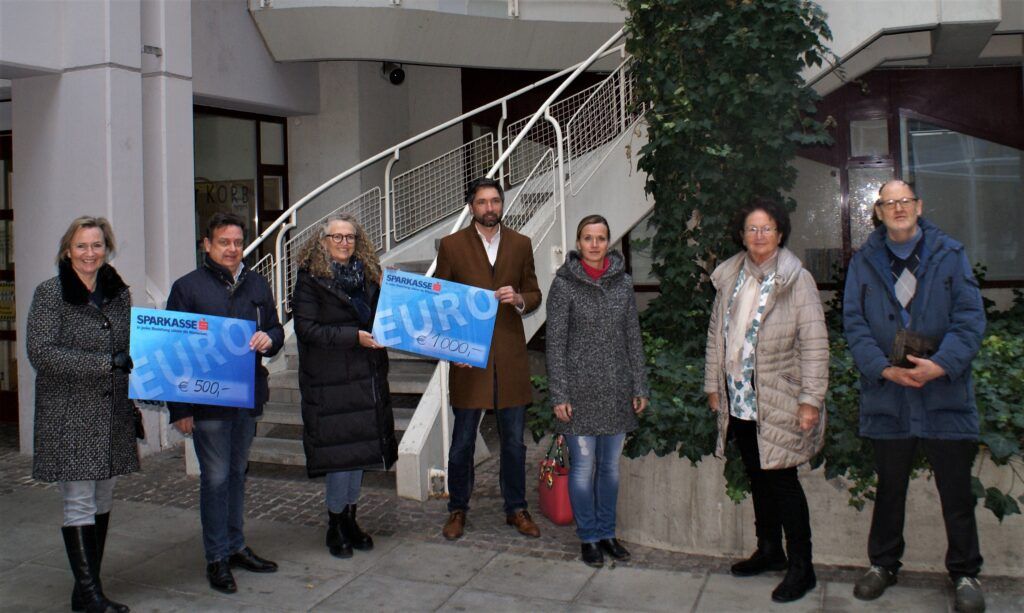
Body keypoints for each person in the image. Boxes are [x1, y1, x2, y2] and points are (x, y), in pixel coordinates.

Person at [843, 180, 986, 613]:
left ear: (919, 206)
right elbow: (855, 324)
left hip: (944, 392)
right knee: (889, 490)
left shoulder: (950, 254)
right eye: (889, 203)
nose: (898, 208)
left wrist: (940, 365)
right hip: (890, 396)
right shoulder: (864, 262)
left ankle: (965, 573)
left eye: (905, 201)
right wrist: (883, 369)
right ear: (879, 212)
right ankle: (883, 565)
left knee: (957, 494)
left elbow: (969, 319)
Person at [704, 198, 829, 603]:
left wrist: (811, 399)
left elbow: (814, 343)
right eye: (751, 229)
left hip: (780, 396)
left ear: (780, 233)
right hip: (739, 395)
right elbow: (715, 337)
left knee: (783, 481)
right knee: (758, 476)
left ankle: (802, 567)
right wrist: (713, 387)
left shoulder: (795, 279)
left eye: (767, 228)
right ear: (741, 235)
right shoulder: (730, 276)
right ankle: (770, 550)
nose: (758, 236)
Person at [166, 212, 285, 594]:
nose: (232, 249)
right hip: (207, 405)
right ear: (207, 244)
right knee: (215, 480)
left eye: (237, 242)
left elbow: (276, 326)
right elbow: (172, 351)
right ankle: (216, 557)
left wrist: (270, 338)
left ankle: (235, 546)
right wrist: (180, 409)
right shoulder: (187, 288)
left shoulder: (256, 283)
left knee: (236, 475)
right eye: (223, 243)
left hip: (245, 399)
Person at [27, 216, 139, 613]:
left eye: (96, 245)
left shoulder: (118, 293)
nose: (89, 253)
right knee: (78, 501)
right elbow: (41, 353)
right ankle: (91, 596)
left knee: (103, 498)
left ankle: (85, 588)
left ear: (106, 248)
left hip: (110, 412)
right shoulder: (50, 293)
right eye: (81, 246)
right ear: (67, 250)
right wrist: (104, 363)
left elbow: (132, 347)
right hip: (69, 414)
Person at [435, 176, 543, 540]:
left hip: (510, 357)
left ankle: (516, 508)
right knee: (462, 440)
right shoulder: (451, 246)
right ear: (471, 206)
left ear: (502, 204)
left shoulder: (521, 243)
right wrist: (452, 349)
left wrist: (520, 298)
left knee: (514, 440)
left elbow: (535, 291)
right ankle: (457, 509)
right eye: (482, 202)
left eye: (495, 201)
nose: (490, 208)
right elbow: (441, 303)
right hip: (468, 358)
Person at [291, 213, 398, 559]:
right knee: (341, 456)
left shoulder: (368, 275)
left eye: (349, 237)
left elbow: (384, 317)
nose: (343, 243)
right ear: (322, 242)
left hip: (365, 378)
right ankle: (335, 522)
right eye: (336, 237)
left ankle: (351, 517)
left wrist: (393, 292)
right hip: (330, 381)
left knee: (359, 453)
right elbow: (307, 330)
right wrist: (354, 337)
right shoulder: (309, 279)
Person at [545, 214, 648, 568]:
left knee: (610, 470)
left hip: (617, 390)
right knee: (583, 467)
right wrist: (559, 394)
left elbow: (633, 337)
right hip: (578, 394)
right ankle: (588, 536)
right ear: (578, 243)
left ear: (609, 242)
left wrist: (639, 384)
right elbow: (555, 345)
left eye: (600, 238)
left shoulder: (623, 284)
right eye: (587, 238)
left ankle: (607, 533)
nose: (594, 244)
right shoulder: (564, 286)